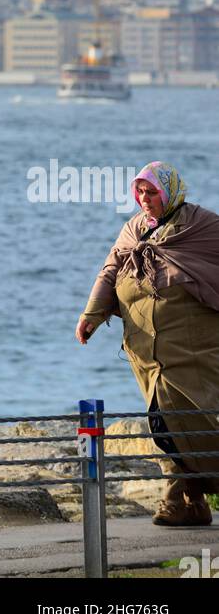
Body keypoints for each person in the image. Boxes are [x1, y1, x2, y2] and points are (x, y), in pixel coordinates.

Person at [76, 161, 219, 526]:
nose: (144, 198)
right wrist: (92, 315)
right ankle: (189, 503)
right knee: (164, 423)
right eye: (139, 191)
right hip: (147, 353)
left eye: (151, 191)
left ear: (169, 191)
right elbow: (111, 269)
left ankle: (183, 500)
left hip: (194, 350)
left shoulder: (201, 226)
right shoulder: (134, 230)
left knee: (192, 421)